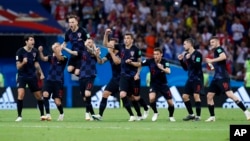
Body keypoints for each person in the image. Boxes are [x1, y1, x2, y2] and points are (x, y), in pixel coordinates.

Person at [103, 28, 149, 121]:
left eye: (128, 38)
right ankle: (132, 116)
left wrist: (137, 73)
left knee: (135, 97)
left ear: (132, 40)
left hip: (134, 76)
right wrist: (106, 34)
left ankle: (145, 108)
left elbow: (140, 64)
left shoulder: (136, 50)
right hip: (123, 76)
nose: (126, 40)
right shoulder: (121, 47)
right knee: (123, 95)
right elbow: (106, 44)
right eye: (125, 38)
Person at [205, 36, 250, 122]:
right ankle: (212, 117)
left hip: (223, 77)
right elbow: (216, 67)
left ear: (218, 42)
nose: (211, 44)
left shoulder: (219, 49)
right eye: (210, 43)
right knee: (209, 96)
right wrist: (210, 64)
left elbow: (224, 57)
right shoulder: (215, 51)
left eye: (213, 42)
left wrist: (212, 60)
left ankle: (246, 112)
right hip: (216, 77)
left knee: (230, 95)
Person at [131, 48, 176, 122]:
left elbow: (169, 71)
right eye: (154, 54)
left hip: (163, 84)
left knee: (170, 103)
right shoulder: (150, 61)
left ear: (161, 54)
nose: (155, 56)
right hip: (154, 84)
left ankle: (171, 116)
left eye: (157, 54)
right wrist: (131, 63)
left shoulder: (165, 62)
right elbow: (140, 64)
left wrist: (162, 68)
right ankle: (155, 112)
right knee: (151, 98)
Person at [62, 38, 102, 121]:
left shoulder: (95, 51)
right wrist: (65, 48)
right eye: (87, 42)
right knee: (85, 98)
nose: (88, 43)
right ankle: (93, 114)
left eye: (90, 42)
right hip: (82, 76)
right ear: (85, 43)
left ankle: (87, 114)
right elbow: (73, 52)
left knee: (87, 94)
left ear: (92, 43)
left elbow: (94, 54)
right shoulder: (82, 52)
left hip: (90, 75)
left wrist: (95, 50)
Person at [15, 35, 45, 122]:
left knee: (39, 96)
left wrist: (41, 73)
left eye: (33, 40)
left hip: (32, 76)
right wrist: (23, 62)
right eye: (31, 40)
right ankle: (19, 116)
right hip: (22, 76)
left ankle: (42, 115)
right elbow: (18, 67)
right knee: (21, 94)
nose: (33, 42)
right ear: (26, 41)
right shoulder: (20, 51)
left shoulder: (35, 51)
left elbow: (36, 63)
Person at [92, 38, 121, 120]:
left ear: (115, 45)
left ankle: (141, 110)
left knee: (132, 97)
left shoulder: (121, 53)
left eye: (111, 44)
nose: (109, 46)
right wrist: (97, 55)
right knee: (105, 94)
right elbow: (101, 62)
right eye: (109, 44)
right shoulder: (109, 54)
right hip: (115, 79)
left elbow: (116, 61)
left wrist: (111, 52)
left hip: (123, 78)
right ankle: (100, 115)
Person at [38, 42, 68, 121]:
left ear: (60, 48)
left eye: (56, 46)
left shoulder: (64, 57)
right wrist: (40, 51)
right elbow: (43, 58)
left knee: (57, 101)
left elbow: (59, 58)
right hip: (49, 80)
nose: (55, 48)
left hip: (58, 81)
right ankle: (48, 114)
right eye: (54, 47)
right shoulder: (51, 57)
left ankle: (61, 113)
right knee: (45, 95)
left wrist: (55, 51)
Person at [178, 38, 204, 121]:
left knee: (196, 95)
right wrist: (181, 61)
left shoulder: (198, 54)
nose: (183, 46)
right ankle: (191, 114)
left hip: (197, 78)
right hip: (190, 78)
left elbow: (197, 66)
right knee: (185, 96)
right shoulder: (186, 54)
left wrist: (189, 59)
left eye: (185, 44)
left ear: (190, 44)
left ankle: (198, 116)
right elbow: (186, 68)